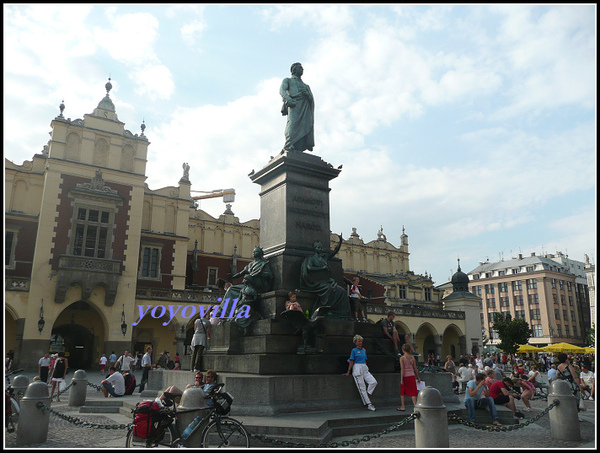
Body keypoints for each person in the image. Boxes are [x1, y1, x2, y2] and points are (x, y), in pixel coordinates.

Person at [300, 239, 352, 320]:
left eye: (321, 247)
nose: (320, 249)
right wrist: (322, 268)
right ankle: (325, 309)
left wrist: (340, 243)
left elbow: (334, 252)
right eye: (318, 247)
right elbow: (309, 268)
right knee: (329, 289)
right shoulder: (311, 258)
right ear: (315, 248)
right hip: (316, 281)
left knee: (342, 291)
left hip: (326, 281)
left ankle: (342, 314)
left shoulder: (324, 257)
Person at [279, 62, 314, 152]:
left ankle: (298, 147)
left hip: (305, 108)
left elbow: (311, 99)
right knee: (292, 124)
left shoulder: (306, 86)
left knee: (305, 126)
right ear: (294, 70)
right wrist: (288, 99)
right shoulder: (288, 80)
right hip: (294, 105)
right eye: (300, 68)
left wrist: (308, 95)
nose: (302, 69)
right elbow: (282, 90)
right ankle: (289, 144)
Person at [343, 335, 377, 411]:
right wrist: (348, 371)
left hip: (364, 367)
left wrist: (367, 369)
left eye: (361, 341)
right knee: (362, 387)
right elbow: (351, 361)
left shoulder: (364, 350)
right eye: (358, 341)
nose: (360, 343)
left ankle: (367, 395)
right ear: (355, 342)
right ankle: (369, 404)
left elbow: (365, 360)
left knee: (373, 382)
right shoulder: (354, 351)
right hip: (357, 368)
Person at [397, 343, 420, 411]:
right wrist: (418, 377)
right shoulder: (412, 358)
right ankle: (415, 406)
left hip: (405, 376)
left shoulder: (402, 358)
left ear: (403, 350)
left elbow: (402, 369)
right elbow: (415, 369)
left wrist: (401, 379)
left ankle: (403, 406)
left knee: (402, 392)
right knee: (413, 392)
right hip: (412, 376)